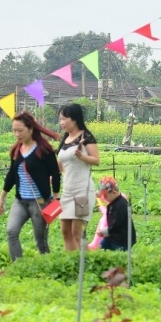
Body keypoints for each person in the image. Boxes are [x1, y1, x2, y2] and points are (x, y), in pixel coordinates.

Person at [0, 112, 61, 261]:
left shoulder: (44, 150)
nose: (17, 134)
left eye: (20, 130)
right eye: (14, 130)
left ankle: (46, 268)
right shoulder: (16, 151)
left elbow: (55, 173)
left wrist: (56, 197)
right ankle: (18, 266)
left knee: (41, 241)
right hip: (20, 201)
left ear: (31, 129)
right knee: (11, 232)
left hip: (39, 202)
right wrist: (2, 197)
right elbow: (12, 175)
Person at [57, 103, 100, 251]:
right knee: (65, 231)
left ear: (74, 119)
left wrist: (82, 157)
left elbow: (96, 160)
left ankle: (87, 264)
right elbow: (60, 167)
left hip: (83, 191)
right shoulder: (65, 139)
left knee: (77, 232)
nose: (61, 122)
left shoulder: (86, 136)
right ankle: (73, 265)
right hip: (67, 192)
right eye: (60, 119)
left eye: (64, 118)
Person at [95, 176, 136, 251]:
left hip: (122, 240)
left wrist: (104, 232)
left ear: (113, 192)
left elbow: (116, 225)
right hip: (113, 236)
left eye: (105, 195)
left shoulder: (120, 205)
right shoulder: (113, 203)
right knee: (102, 246)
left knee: (118, 253)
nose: (104, 198)